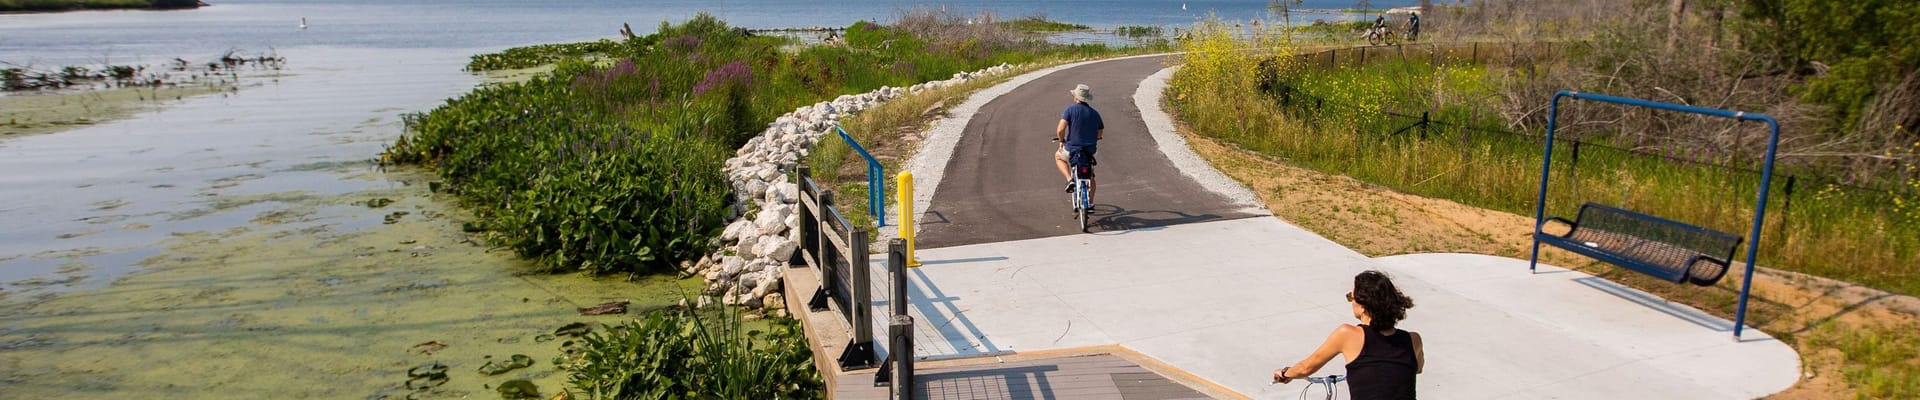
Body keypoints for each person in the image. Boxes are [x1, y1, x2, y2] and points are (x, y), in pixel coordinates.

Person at [1273, 270, 1423, 400]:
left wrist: (1285, 374)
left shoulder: (1347, 334)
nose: (1351, 301)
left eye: (1351, 297)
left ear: (1363, 306)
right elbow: (1417, 368)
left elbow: (1306, 368)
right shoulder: (1413, 340)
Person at [1055, 83, 1104, 206]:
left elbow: (1060, 130)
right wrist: (1095, 138)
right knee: (1091, 175)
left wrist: (1061, 141)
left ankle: (1069, 179)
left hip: (1072, 149)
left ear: (1076, 97)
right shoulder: (1095, 113)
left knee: (1058, 157)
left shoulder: (1070, 110)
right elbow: (1100, 132)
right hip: (1090, 151)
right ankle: (1090, 203)